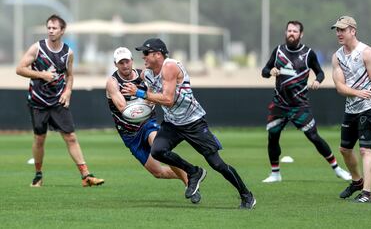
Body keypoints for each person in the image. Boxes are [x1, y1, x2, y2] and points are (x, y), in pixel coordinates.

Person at [121, 38, 256, 209]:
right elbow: (151, 93)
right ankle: (193, 172)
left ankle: (246, 195)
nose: (143, 57)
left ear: (158, 54)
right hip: (172, 123)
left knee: (217, 164)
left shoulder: (169, 66)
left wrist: (140, 94)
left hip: (193, 122)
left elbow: (168, 99)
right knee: (158, 151)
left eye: (146, 53)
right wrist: (143, 102)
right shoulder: (146, 74)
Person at [16, 14, 104, 188]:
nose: (51, 31)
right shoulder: (37, 48)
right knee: (39, 139)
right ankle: (38, 175)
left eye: (54, 28)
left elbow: (69, 75)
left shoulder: (68, 53)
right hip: (38, 102)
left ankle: (86, 176)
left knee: (71, 137)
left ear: (62, 31)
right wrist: (42, 75)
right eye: (48, 27)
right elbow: (20, 69)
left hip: (58, 102)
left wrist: (68, 91)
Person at [106, 46, 200, 204]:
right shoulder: (112, 82)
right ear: (116, 64)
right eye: (121, 62)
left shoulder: (144, 75)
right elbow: (123, 108)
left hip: (147, 123)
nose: (125, 65)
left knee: (159, 147)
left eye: (127, 61)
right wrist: (144, 102)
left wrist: (144, 97)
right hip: (129, 134)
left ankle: (189, 185)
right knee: (158, 172)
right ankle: (189, 173)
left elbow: (153, 95)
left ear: (132, 61)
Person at [261, 20, 351, 183]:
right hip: (279, 104)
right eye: (289, 31)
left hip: (299, 105)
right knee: (272, 137)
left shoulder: (308, 53)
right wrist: (270, 71)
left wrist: (317, 80)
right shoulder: (278, 51)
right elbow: (264, 71)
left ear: (301, 34)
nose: (291, 34)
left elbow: (320, 73)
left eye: (295, 31)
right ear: (285, 32)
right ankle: (275, 174)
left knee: (314, 137)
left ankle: (337, 169)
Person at [331, 16, 371, 203]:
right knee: (344, 149)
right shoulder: (337, 56)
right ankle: (357, 181)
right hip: (351, 109)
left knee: (365, 150)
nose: (339, 33)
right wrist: (356, 93)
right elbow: (339, 86)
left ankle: (367, 193)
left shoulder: (367, 53)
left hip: (368, 108)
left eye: (342, 30)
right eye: (337, 30)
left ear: (353, 30)